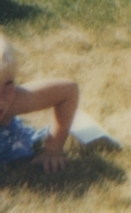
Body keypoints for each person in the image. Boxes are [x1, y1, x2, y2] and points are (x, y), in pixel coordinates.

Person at [0, 34, 79, 173]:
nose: (2, 97)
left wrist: (53, 150)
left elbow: (68, 91)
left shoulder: (13, 102)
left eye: (8, 83)